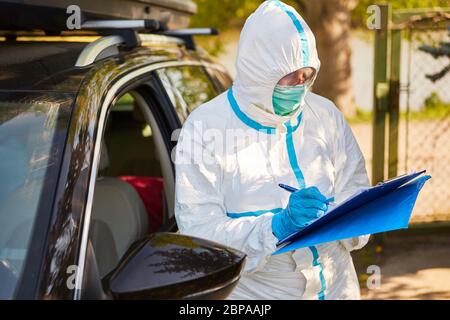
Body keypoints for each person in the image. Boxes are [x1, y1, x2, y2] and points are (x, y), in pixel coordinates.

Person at [174, 0, 370, 300]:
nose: (300, 85)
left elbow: (354, 187)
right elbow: (202, 237)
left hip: (337, 289)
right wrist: (276, 227)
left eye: (307, 75)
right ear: (258, 71)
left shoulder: (325, 115)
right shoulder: (205, 128)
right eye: (290, 76)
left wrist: (349, 216)